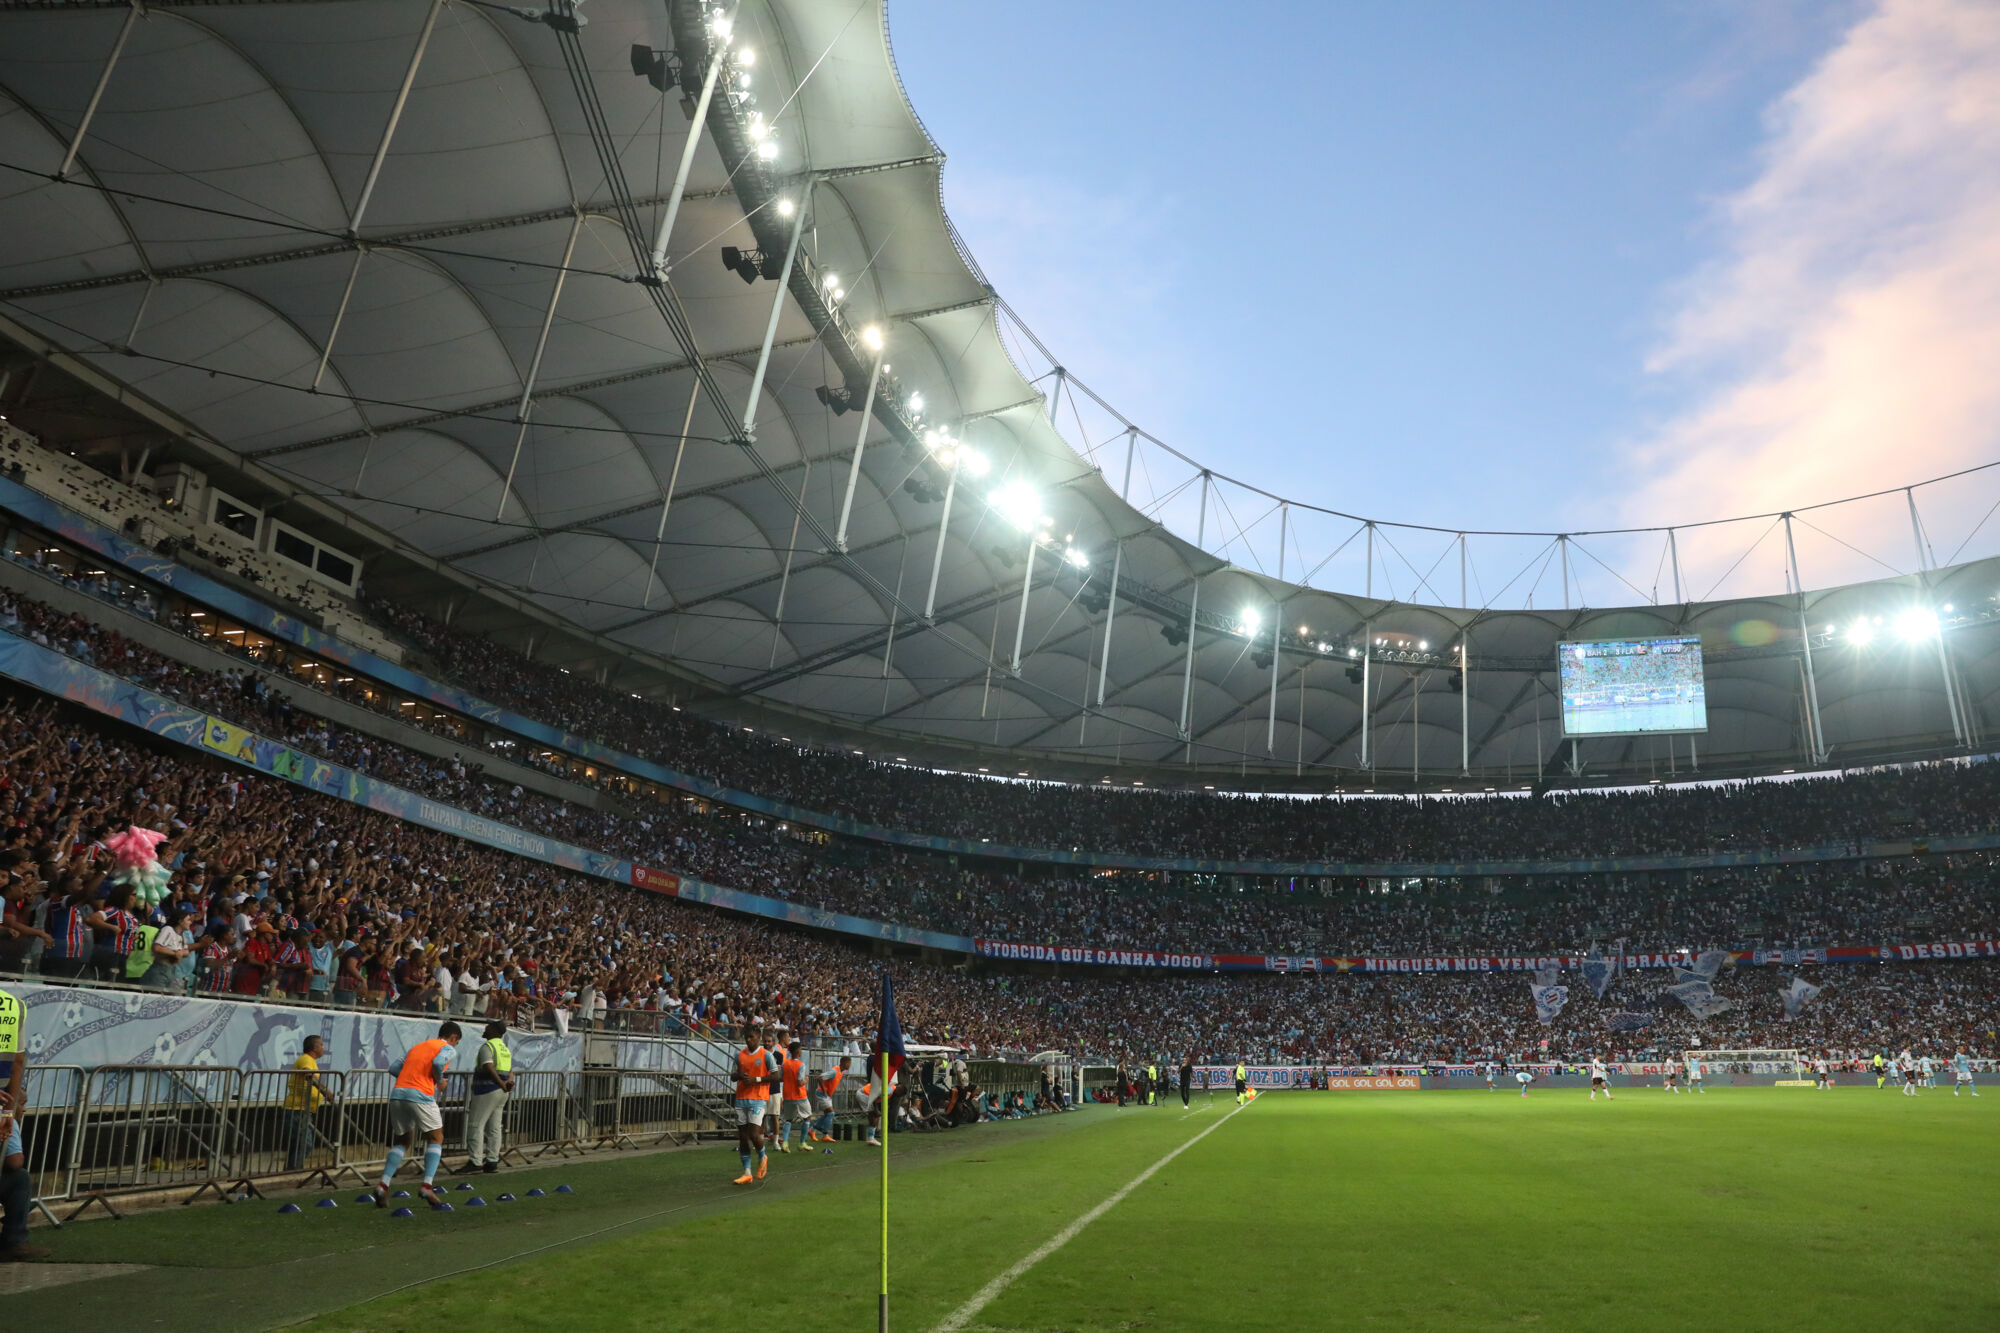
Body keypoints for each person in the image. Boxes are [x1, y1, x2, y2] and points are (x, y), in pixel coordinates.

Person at [375, 1020, 459, 1209]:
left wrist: (410, 1078)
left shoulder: (418, 1047)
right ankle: (427, 1185)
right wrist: (438, 1081)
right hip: (420, 1094)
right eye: (456, 1042)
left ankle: (383, 1185)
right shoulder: (446, 1048)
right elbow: (438, 1062)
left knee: (403, 1140)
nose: (455, 1046)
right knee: (436, 1137)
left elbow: (394, 1068)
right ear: (453, 1038)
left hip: (398, 1093)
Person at [1, 981, 50, 1261]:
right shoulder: (13, 1004)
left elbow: (18, 1060)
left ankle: (14, 1241)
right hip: (3, 1100)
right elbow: (18, 1061)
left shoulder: (13, 1006)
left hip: (3, 1102)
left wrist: (11, 1108)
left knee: (17, 1174)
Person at [464, 1020, 512, 1174]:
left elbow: (488, 1066)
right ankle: (492, 1161)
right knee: (495, 1128)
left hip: (486, 1089)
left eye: (488, 1027)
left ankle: (475, 1161)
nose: (485, 1028)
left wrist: (500, 1083)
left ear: (494, 1031)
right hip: (502, 1092)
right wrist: (508, 1083)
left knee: (476, 1125)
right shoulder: (504, 1048)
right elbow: (511, 1070)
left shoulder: (488, 1046)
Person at [731, 1022, 772, 1184]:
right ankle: (747, 1172)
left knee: (754, 1134)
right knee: (742, 1137)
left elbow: (776, 1076)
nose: (749, 1040)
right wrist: (740, 1076)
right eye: (746, 1037)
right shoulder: (739, 1055)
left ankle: (762, 1155)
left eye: (752, 1037)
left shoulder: (766, 1055)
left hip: (758, 1098)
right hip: (741, 1098)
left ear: (759, 1038)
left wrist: (756, 1079)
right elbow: (732, 1075)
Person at [284, 1035, 329, 1172]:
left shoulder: (310, 1060)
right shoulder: (306, 1059)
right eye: (321, 1045)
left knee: (298, 1143)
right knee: (305, 1143)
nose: (323, 1048)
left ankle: (292, 1170)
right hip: (298, 1108)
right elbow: (308, 1073)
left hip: (303, 1109)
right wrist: (325, 1091)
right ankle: (294, 1171)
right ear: (314, 1048)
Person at [776, 1040, 811, 1153]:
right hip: (800, 1096)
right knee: (807, 1117)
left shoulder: (785, 1064)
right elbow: (799, 1082)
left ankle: (785, 1143)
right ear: (797, 1051)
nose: (801, 1051)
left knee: (788, 1120)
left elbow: (780, 1078)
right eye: (800, 1049)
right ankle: (802, 1143)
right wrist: (806, 1080)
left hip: (788, 1095)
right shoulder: (801, 1065)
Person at [808, 1054, 848, 1144]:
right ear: (844, 1063)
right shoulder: (834, 1071)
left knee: (827, 1115)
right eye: (849, 1063)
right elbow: (820, 1077)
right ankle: (825, 1135)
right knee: (831, 1113)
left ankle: (812, 1130)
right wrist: (824, 1090)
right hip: (821, 1094)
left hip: (826, 1095)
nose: (849, 1065)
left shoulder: (841, 1072)